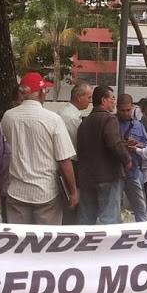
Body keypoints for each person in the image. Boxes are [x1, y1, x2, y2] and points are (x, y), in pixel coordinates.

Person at [1, 72, 78, 225]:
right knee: (46, 242)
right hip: (46, 192)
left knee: (20, 243)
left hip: (17, 191)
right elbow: (64, 160)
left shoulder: (8, 117)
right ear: (42, 92)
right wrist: (73, 191)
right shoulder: (53, 120)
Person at [76, 85, 130, 225]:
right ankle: (109, 246)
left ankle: (86, 246)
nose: (114, 102)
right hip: (108, 176)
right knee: (109, 218)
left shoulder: (84, 122)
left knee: (86, 218)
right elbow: (114, 143)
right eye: (112, 98)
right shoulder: (109, 119)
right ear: (103, 100)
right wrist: (126, 159)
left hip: (86, 177)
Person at [58, 82, 91, 224]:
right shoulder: (70, 117)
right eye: (88, 98)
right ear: (79, 97)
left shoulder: (68, 114)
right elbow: (80, 143)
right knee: (73, 204)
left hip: (71, 162)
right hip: (72, 163)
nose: (90, 101)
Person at [117, 94, 147, 223]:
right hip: (116, 172)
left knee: (140, 208)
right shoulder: (112, 123)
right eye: (123, 110)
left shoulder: (138, 125)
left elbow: (146, 144)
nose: (126, 113)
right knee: (115, 208)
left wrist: (138, 144)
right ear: (117, 108)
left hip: (134, 171)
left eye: (128, 110)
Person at [0, 86, 22, 222]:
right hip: (9, 189)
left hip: (38, 192)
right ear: (14, 102)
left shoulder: (45, 122)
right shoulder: (3, 126)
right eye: (21, 101)